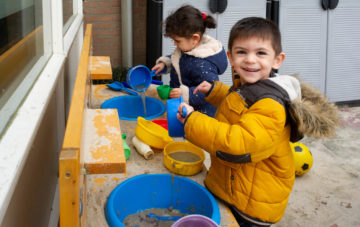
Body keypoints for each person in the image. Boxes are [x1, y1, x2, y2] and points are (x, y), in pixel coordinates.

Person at [177, 17, 340, 226]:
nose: (250, 60)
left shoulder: (272, 105)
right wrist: (215, 91)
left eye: (260, 53)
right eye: (241, 52)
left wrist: (192, 120)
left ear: (277, 60)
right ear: (230, 57)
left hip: (251, 204)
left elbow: (238, 144)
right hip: (236, 187)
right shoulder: (249, 85)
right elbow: (240, 105)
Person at [152, 5, 228, 117]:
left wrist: (185, 94)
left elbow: (210, 92)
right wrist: (165, 63)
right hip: (183, 106)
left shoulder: (204, 65)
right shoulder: (189, 48)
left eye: (177, 41)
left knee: (189, 133)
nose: (174, 44)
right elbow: (180, 57)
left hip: (200, 114)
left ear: (195, 38)